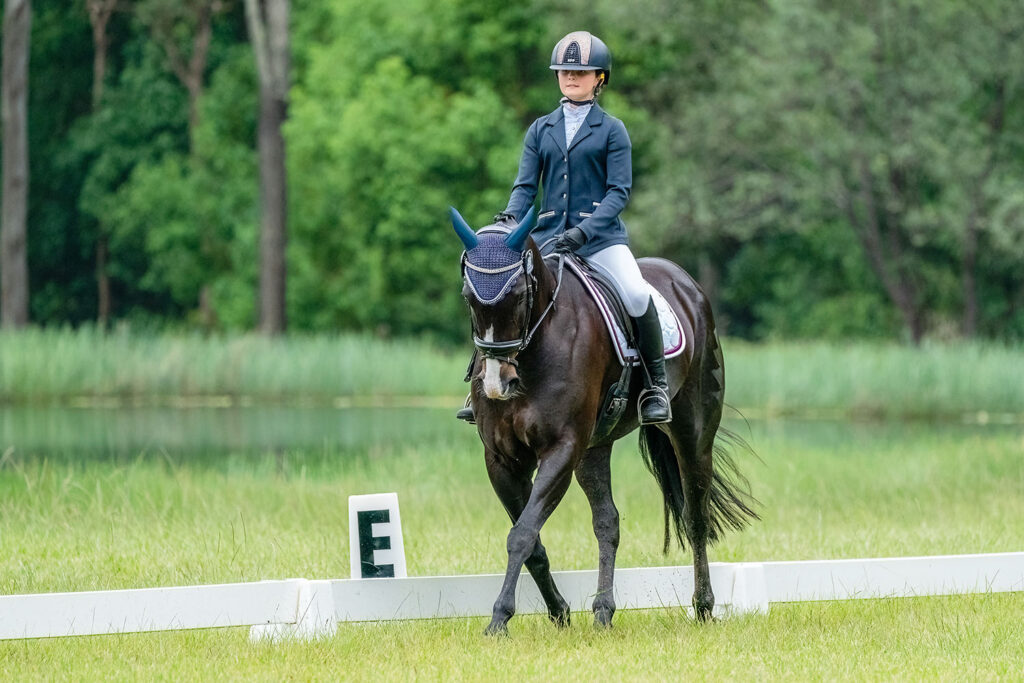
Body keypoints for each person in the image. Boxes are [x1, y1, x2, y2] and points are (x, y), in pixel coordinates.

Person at [458, 30, 671, 425]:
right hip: (547, 238)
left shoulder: (612, 130)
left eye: (581, 71)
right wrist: (508, 219)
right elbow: (524, 188)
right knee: (501, 291)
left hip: (601, 241)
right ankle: (477, 386)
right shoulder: (541, 129)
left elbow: (618, 193)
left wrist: (586, 231)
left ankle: (655, 386)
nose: (571, 77)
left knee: (637, 294)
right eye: (564, 71)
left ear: (599, 79)